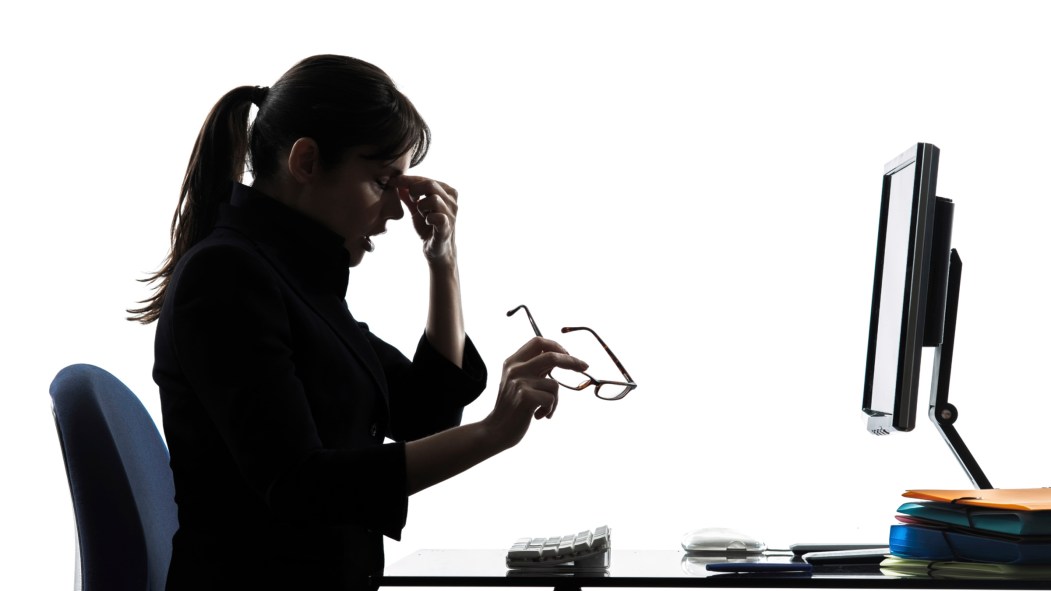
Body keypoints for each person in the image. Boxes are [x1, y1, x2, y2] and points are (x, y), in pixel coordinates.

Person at [129, 54, 588, 591]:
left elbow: (426, 413)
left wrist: (443, 261)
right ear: (306, 161)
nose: (396, 210)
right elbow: (299, 485)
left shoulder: (296, 281)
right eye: (382, 181)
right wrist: (493, 431)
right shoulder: (226, 278)